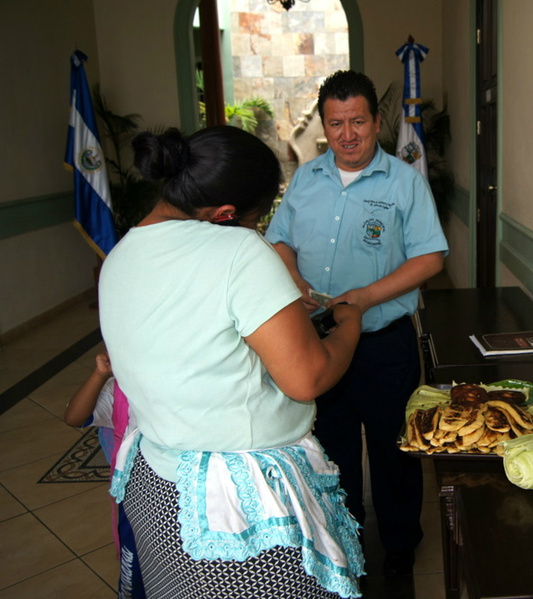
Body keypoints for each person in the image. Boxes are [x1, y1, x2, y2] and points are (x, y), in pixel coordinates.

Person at [98, 125, 365, 599]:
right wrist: (349, 325)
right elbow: (309, 376)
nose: (257, 230)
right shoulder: (239, 251)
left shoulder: (119, 256)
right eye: (257, 219)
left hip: (158, 488)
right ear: (225, 214)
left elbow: (192, 344)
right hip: (237, 505)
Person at [265, 70, 449, 578]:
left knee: (394, 452)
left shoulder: (404, 181)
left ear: (377, 121)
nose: (347, 135)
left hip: (383, 343)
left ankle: (399, 548)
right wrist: (294, 279)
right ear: (325, 124)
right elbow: (279, 240)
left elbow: (430, 257)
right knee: (331, 451)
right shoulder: (306, 178)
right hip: (319, 342)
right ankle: (344, 545)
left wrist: (364, 299)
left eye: (358, 122)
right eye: (336, 123)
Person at [65, 352, 144, 599]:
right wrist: (100, 374)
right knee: (138, 572)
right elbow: (74, 417)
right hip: (135, 499)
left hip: (178, 491)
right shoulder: (119, 391)